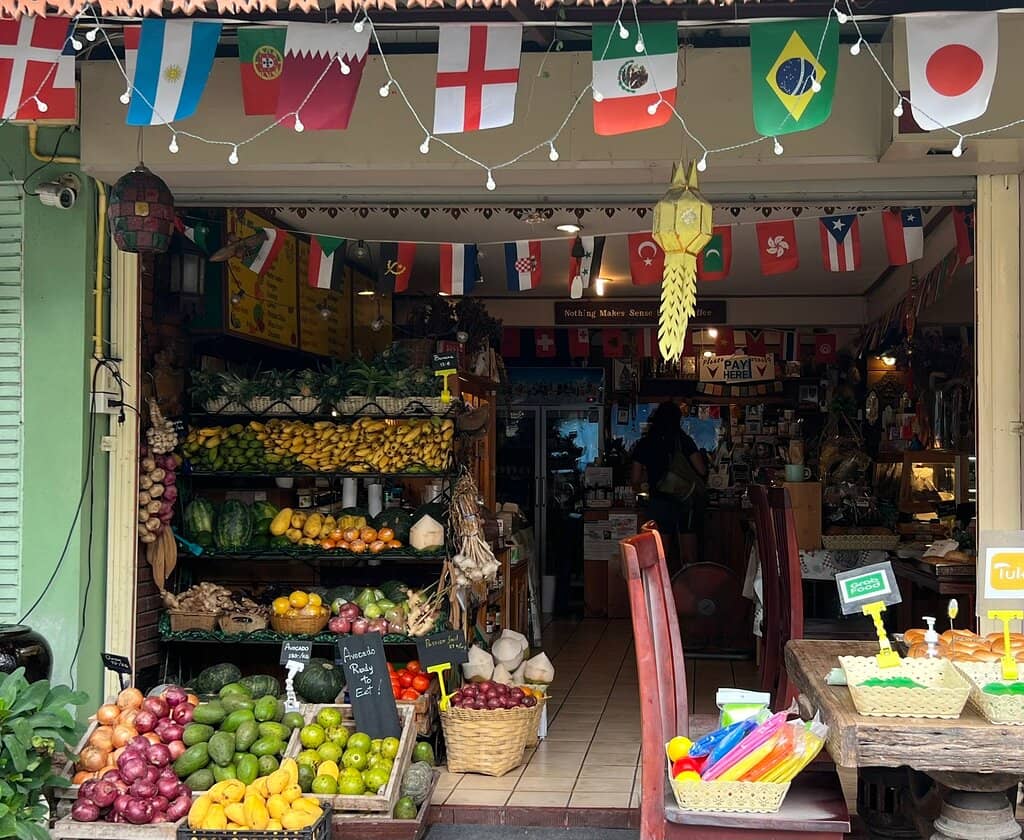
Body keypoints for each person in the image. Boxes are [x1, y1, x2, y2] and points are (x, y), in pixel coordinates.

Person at [631, 401, 707, 569]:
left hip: (659, 502)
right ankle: (688, 590)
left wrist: (651, 475)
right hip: (685, 502)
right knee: (689, 558)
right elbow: (701, 469)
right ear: (677, 420)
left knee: (661, 557)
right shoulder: (683, 440)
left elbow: (635, 478)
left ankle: (662, 590)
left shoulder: (645, 443)